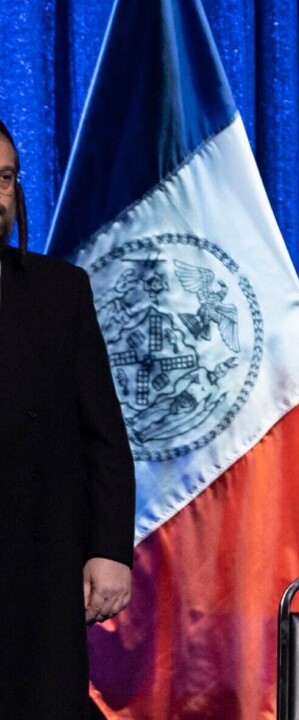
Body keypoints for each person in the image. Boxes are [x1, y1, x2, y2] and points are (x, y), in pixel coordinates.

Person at [0, 120, 135, 717]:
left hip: (38, 569)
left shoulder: (60, 291)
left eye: (5, 179)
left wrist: (109, 549)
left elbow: (101, 434)